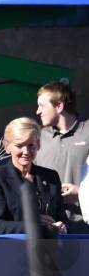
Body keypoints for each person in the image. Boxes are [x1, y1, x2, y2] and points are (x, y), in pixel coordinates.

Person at [0, 117, 67, 235]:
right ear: (7, 147)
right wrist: (35, 224)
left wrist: (62, 226)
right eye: (19, 145)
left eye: (31, 145)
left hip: (50, 249)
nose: (26, 151)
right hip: (15, 249)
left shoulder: (51, 177)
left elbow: (61, 218)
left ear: (38, 145)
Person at [34, 81, 89, 233]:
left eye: (42, 105)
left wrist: (80, 193)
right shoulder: (37, 138)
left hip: (85, 227)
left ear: (59, 106)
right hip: (50, 229)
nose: (38, 111)